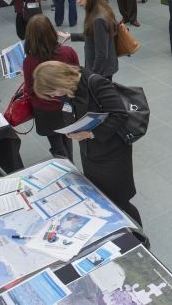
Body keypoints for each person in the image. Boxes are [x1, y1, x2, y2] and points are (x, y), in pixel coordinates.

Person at [32, 61, 142, 226]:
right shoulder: (68, 88)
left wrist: (90, 133)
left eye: (53, 91)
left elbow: (119, 115)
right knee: (100, 193)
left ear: (59, 81)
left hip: (113, 153)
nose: (54, 96)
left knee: (119, 200)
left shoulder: (96, 83)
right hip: (89, 151)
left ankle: (140, 236)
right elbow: (69, 109)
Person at [23, 15, 80, 160]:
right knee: (67, 135)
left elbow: (30, 90)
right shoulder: (68, 52)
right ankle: (70, 161)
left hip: (45, 109)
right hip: (67, 105)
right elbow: (78, 77)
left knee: (56, 143)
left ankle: (64, 163)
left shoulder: (29, 61)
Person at [57, 0, 120, 79]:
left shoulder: (98, 19)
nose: (78, 1)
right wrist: (71, 36)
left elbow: (101, 55)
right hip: (102, 70)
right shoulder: (97, 9)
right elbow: (93, 36)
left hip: (101, 72)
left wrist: (91, 77)